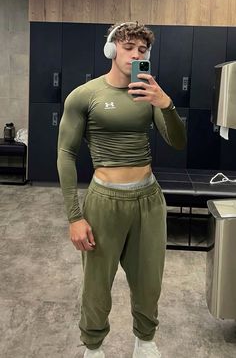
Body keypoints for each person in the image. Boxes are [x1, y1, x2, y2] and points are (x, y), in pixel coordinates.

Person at [57, 22, 186, 358]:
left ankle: (144, 341)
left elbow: (177, 142)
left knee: (148, 280)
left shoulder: (149, 94)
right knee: (97, 285)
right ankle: (94, 347)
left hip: (148, 199)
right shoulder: (85, 95)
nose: (135, 55)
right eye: (129, 47)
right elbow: (65, 154)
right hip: (104, 201)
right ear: (112, 50)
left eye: (142, 51)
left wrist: (166, 103)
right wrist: (74, 216)